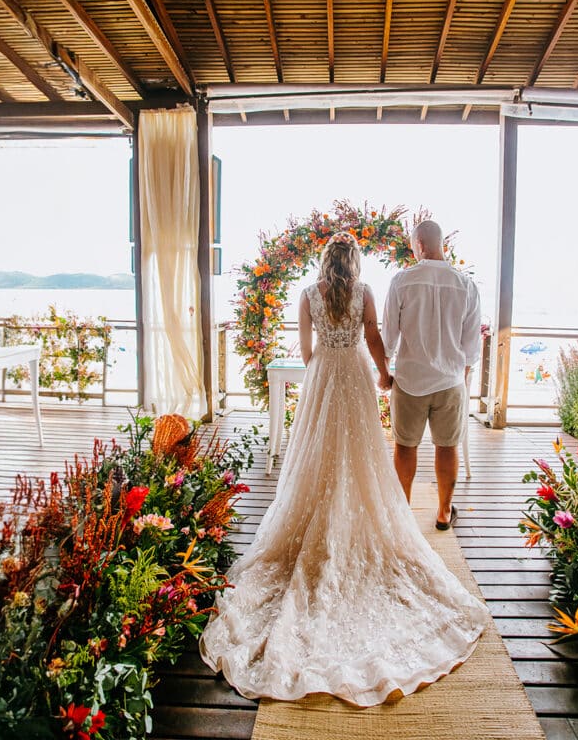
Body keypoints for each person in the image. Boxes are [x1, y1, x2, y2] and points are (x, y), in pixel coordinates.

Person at [199, 231, 486, 707]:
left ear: (324, 260)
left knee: (319, 448)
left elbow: (305, 349)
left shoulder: (308, 295)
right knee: (362, 450)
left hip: (323, 376)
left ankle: (323, 503)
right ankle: (423, 510)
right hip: (354, 373)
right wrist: (382, 373)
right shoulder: (365, 292)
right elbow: (374, 339)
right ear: (352, 261)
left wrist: (322, 368)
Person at [382, 220, 481, 530]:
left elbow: (388, 338)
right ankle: (443, 512)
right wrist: (460, 378)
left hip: (410, 380)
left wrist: (385, 373)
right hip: (450, 381)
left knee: (405, 447)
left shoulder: (402, 281)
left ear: (420, 245)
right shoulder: (466, 285)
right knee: (448, 447)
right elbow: (471, 346)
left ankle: (403, 513)